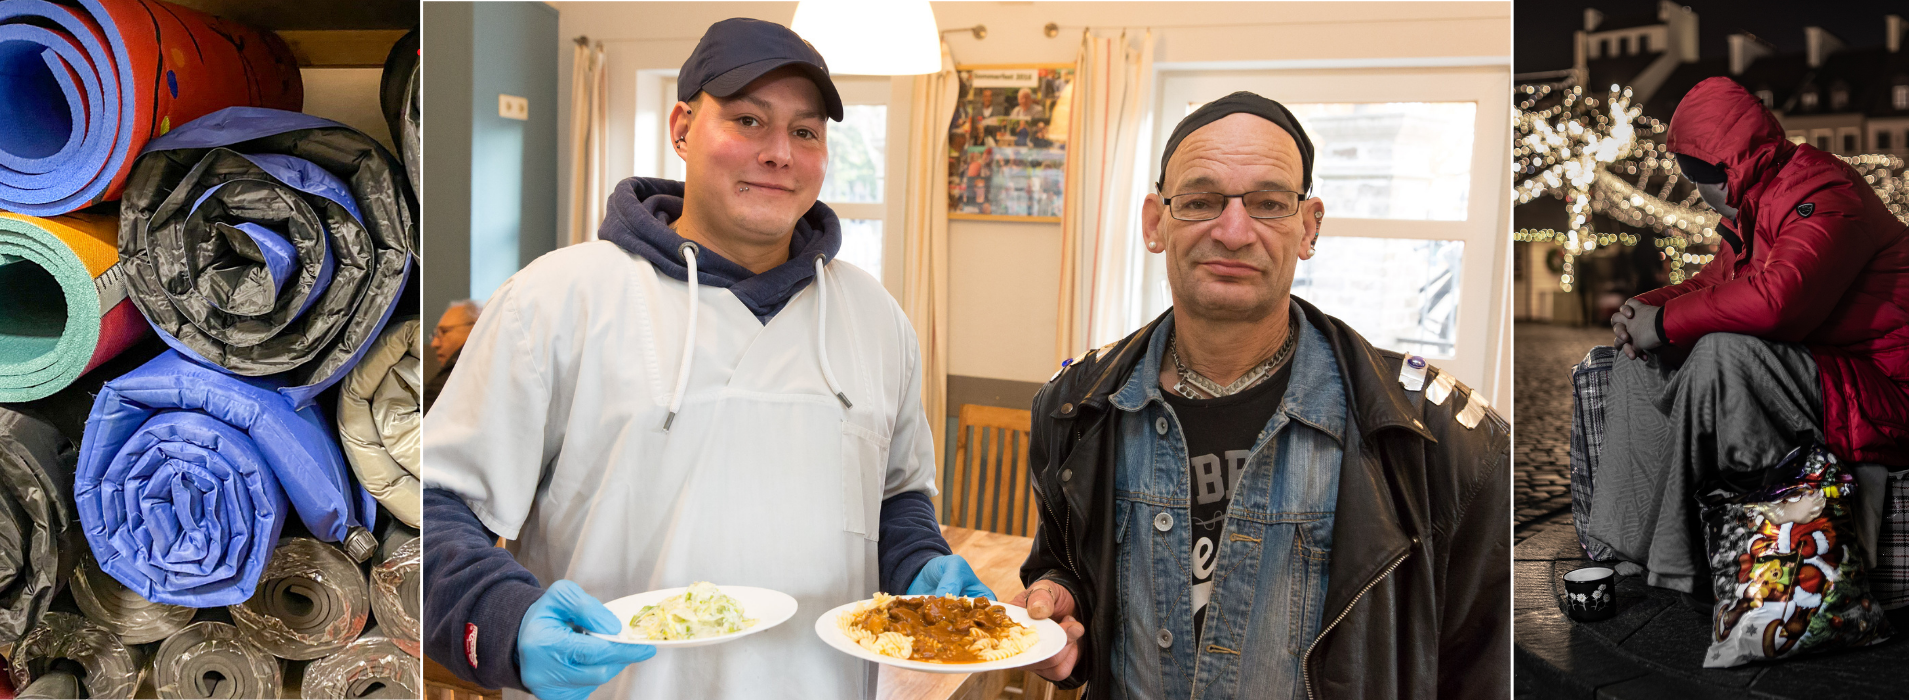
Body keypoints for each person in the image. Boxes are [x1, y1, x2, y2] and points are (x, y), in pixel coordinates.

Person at [421, 18, 991, 700]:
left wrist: (918, 559)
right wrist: (504, 620)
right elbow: (432, 505)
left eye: (805, 131)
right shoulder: (555, 299)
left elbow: (897, 496)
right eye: (749, 120)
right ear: (682, 127)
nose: (780, 152)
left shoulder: (876, 320)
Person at [1011, 91, 1510, 699]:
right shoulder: (1075, 411)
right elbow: (1066, 565)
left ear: (1308, 227)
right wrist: (1064, 603)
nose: (1234, 230)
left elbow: (1486, 670)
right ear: (1154, 222)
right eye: (1200, 200)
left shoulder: (1444, 442)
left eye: (1269, 204)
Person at [1586, 77, 1909, 593]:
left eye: (1698, 181)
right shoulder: (1756, 205)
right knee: (1637, 358)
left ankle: (1678, 566)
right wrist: (1644, 309)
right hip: (1828, 373)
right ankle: (1629, 547)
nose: (1701, 196)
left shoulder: (1825, 190)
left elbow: (1780, 301)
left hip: (1885, 392)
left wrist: (1663, 325)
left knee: (1722, 353)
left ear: (1722, 174)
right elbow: (1714, 283)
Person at [424, 299, 480, 412]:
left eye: (444, 332)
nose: (435, 344)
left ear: (476, 327)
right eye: (436, 334)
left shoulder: (444, 387)